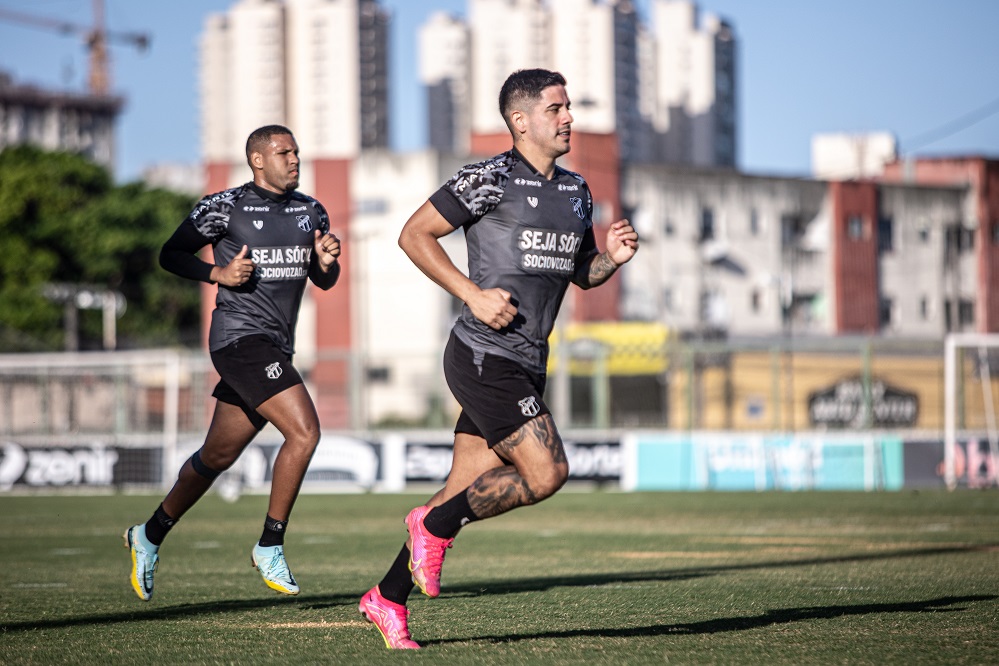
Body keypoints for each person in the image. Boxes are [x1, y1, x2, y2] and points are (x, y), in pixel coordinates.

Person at [358, 69, 639, 649]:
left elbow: (580, 274)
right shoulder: (487, 179)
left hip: (529, 360)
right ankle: (432, 527)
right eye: (556, 108)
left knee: (464, 484)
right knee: (547, 472)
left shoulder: (576, 190)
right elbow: (414, 235)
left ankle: (385, 598)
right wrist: (471, 294)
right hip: (484, 356)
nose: (568, 118)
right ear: (520, 120)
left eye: (569, 108)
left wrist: (608, 258)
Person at [124, 125, 341, 601]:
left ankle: (149, 534)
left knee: (218, 456)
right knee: (305, 432)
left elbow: (325, 282)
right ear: (258, 160)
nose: (294, 159)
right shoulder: (225, 206)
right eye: (284, 152)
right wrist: (217, 273)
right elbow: (171, 253)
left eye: (297, 152)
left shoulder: (311, 211)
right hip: (238, 339)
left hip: (275, 346)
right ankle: (270, 543)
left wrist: (326, 261)